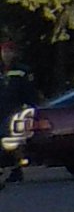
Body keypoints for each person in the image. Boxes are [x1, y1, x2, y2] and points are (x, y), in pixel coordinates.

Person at [1, 41, 40, 185]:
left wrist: (30, 108)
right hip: (1, 109)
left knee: (10, 141)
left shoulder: (22, 71)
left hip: (14, 111)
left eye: (10, 51)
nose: (7, 55)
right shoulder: (1, 71)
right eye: (5, 52)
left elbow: (29, 92)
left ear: (15, 53)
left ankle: (16, 170)